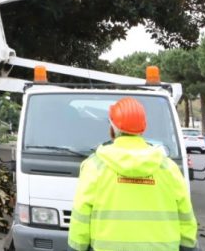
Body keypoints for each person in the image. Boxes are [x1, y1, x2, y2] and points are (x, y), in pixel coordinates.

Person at [68, 97, 197, 251]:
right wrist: (189, 246)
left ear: (112, 128)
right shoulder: (168, 167)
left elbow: (81, 217)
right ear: (143, 128)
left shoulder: (95, 166)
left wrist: (77, 247)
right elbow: (185, 215)